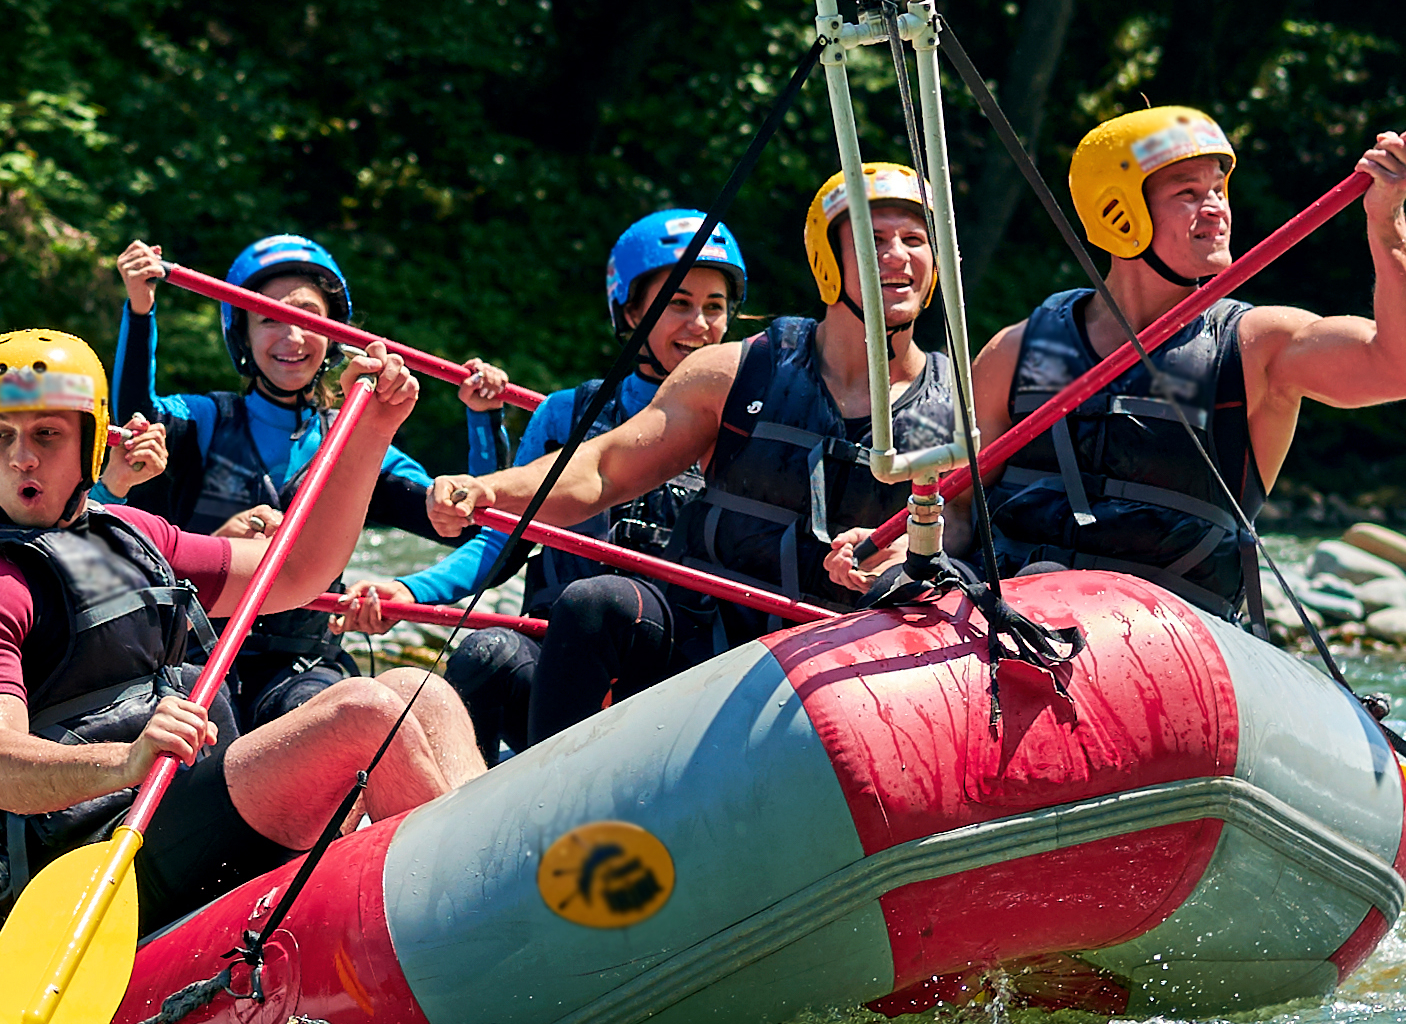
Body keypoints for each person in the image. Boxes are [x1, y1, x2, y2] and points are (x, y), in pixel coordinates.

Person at [0, 327, 482, 965]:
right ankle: (473, 925)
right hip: (89, 850)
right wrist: (127, 761)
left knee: (422, 692)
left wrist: (374, 430)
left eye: (46, 435)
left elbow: (299, 570)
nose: (22, 458)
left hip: (179, 797)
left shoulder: (131, 534)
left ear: (89, 443)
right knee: (362, 713)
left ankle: (491, 871)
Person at [967, 105, 1406, 623]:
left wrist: (1387, 221)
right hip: (1016, 626)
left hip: (1171, 644)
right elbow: (951, 506)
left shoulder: (1257, 346)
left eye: (1218, 190)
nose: (1216, 208)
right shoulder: (1017, 351)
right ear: (1118, 213)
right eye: (1188, 195)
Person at [428, 168, 957, 609]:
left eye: (914, 241)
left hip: (855, 652)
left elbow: (971, 532)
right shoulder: (723, 375)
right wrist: (488, 488)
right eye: (873, 240)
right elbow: (600, 472)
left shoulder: (959, 399)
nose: (895, 255)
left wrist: (906, 554)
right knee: (586, 609)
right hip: (701, 634)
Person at [362, 207, 749, 749]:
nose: (700, 325)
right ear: (632, 312)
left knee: (605, 607)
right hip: (561, 657)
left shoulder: (746, 427)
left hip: (674, 664)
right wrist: (408, 590)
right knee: (485, 652)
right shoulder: (567, 416)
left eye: (715, 307)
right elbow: (499, 545)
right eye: (677, 304)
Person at [105, 233, 484, 720]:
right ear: (241, 332)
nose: (292, 336)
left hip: (305, 667)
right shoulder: (202, 420)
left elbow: (477, 530)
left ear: (332, 335)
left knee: (317, 712)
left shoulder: (360, 446)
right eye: (269, 319)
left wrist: (412, 591)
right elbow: (136, 423)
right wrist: (140, 309)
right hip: (193, 658)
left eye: (307, 318)